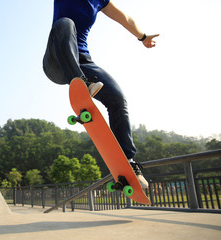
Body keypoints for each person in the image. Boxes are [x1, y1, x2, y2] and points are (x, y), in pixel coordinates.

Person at [43, 0, 159, 188]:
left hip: (84, 62)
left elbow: (125, 18)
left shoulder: (100, 0)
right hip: (56, 59)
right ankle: (81, 83)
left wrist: (142, 36)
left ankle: (128, 162)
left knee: (118, 99)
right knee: (66, 23)